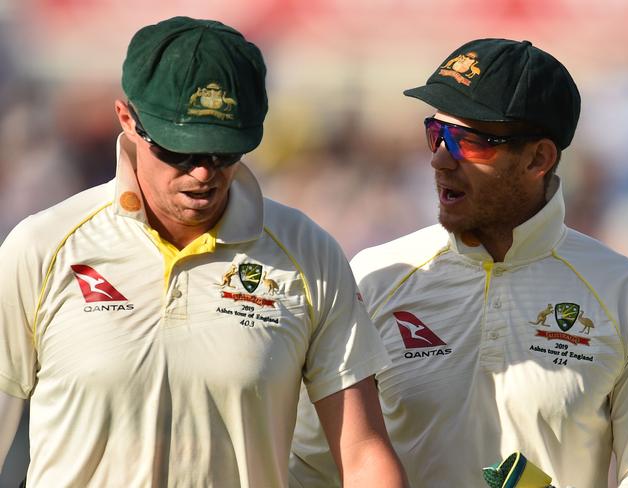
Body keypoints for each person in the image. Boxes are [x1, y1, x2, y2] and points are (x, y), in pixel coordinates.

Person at [0, 17, 409, 487]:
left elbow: (362, 455)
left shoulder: (307, 253)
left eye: (223, 152)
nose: (202, 174)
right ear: (127, 120)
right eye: (180, 150)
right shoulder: (43, 247)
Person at [290, 38, 628, 487]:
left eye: (470, 142)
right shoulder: (377, 276)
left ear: (539, 158)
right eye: (435, 133)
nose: (441, 158)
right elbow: (312, 466)